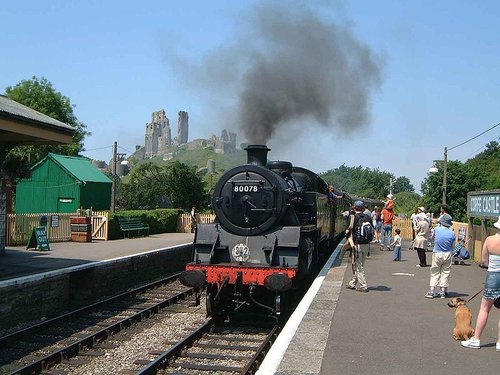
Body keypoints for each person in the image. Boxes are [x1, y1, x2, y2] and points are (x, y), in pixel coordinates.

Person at [461, 216, 500, 351]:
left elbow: (484, 261)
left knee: (484, 309)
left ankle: (476, 339)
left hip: (493, 276)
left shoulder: (490, 240)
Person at [425, 214, 456, 299]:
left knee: (435, 271)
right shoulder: (452, 233)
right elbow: (453, 247)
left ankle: (431, 291)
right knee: (445, 273)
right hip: (448, 254)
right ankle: (442, 291)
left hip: (437, 253)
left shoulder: (436, 229)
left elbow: (432, 238)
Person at [346, 200, 371, 293]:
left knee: (359, 266)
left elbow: (347, 231)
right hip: (366, 245)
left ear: (354, 207)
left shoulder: (353, 217)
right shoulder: (367, 217)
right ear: (363, 208)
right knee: (360, 265)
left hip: (357, 245)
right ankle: (352, 283)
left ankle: (363, 286)